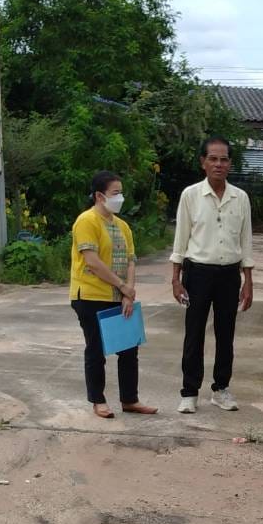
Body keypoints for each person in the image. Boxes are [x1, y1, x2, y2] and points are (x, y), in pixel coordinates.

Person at [170, 136, 253, 414]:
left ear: (230, 164)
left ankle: (221, 388)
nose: (219, 164)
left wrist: (248, 281)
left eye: (224, 159)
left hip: (229, 274)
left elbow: (246, 241)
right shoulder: (190, 195)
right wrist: (176, 278)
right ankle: (189, 392)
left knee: (225, 333)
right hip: (197, 272)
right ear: (203, 162)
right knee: (194, 333)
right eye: (213, 159)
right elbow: (181, 239)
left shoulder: (240, 198)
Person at [69, 170, 158, 420]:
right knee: (96, 349)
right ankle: (98, 400)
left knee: (129, 348)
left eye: (121, 192)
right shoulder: (86, 221)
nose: (120, 198)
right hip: (90, 296)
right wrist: (122, 286)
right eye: (115, 193)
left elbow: (130, 260)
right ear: (99, 196)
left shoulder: (123, 226)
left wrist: (128, 292)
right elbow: (93, 261)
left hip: (119, 296)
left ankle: (130, 399)